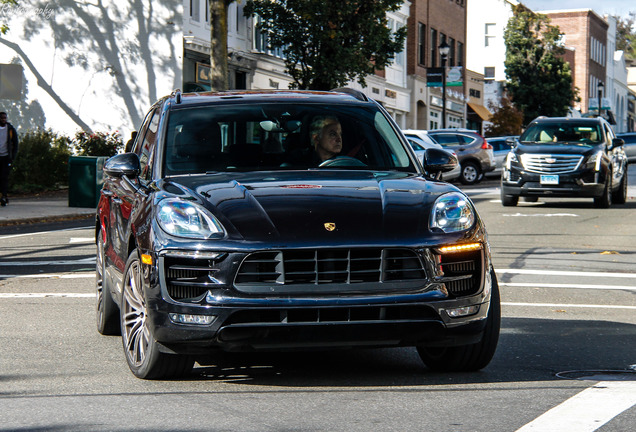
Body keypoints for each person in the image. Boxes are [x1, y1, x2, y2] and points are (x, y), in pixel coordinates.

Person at [0, 111, 18, 206]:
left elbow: (15, 143)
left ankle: (4, 196)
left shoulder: (10, 129)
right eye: (2, 118)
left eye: (5, 118)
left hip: (6, 157)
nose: (3, 119)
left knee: (4, 177)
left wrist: (13, 156)